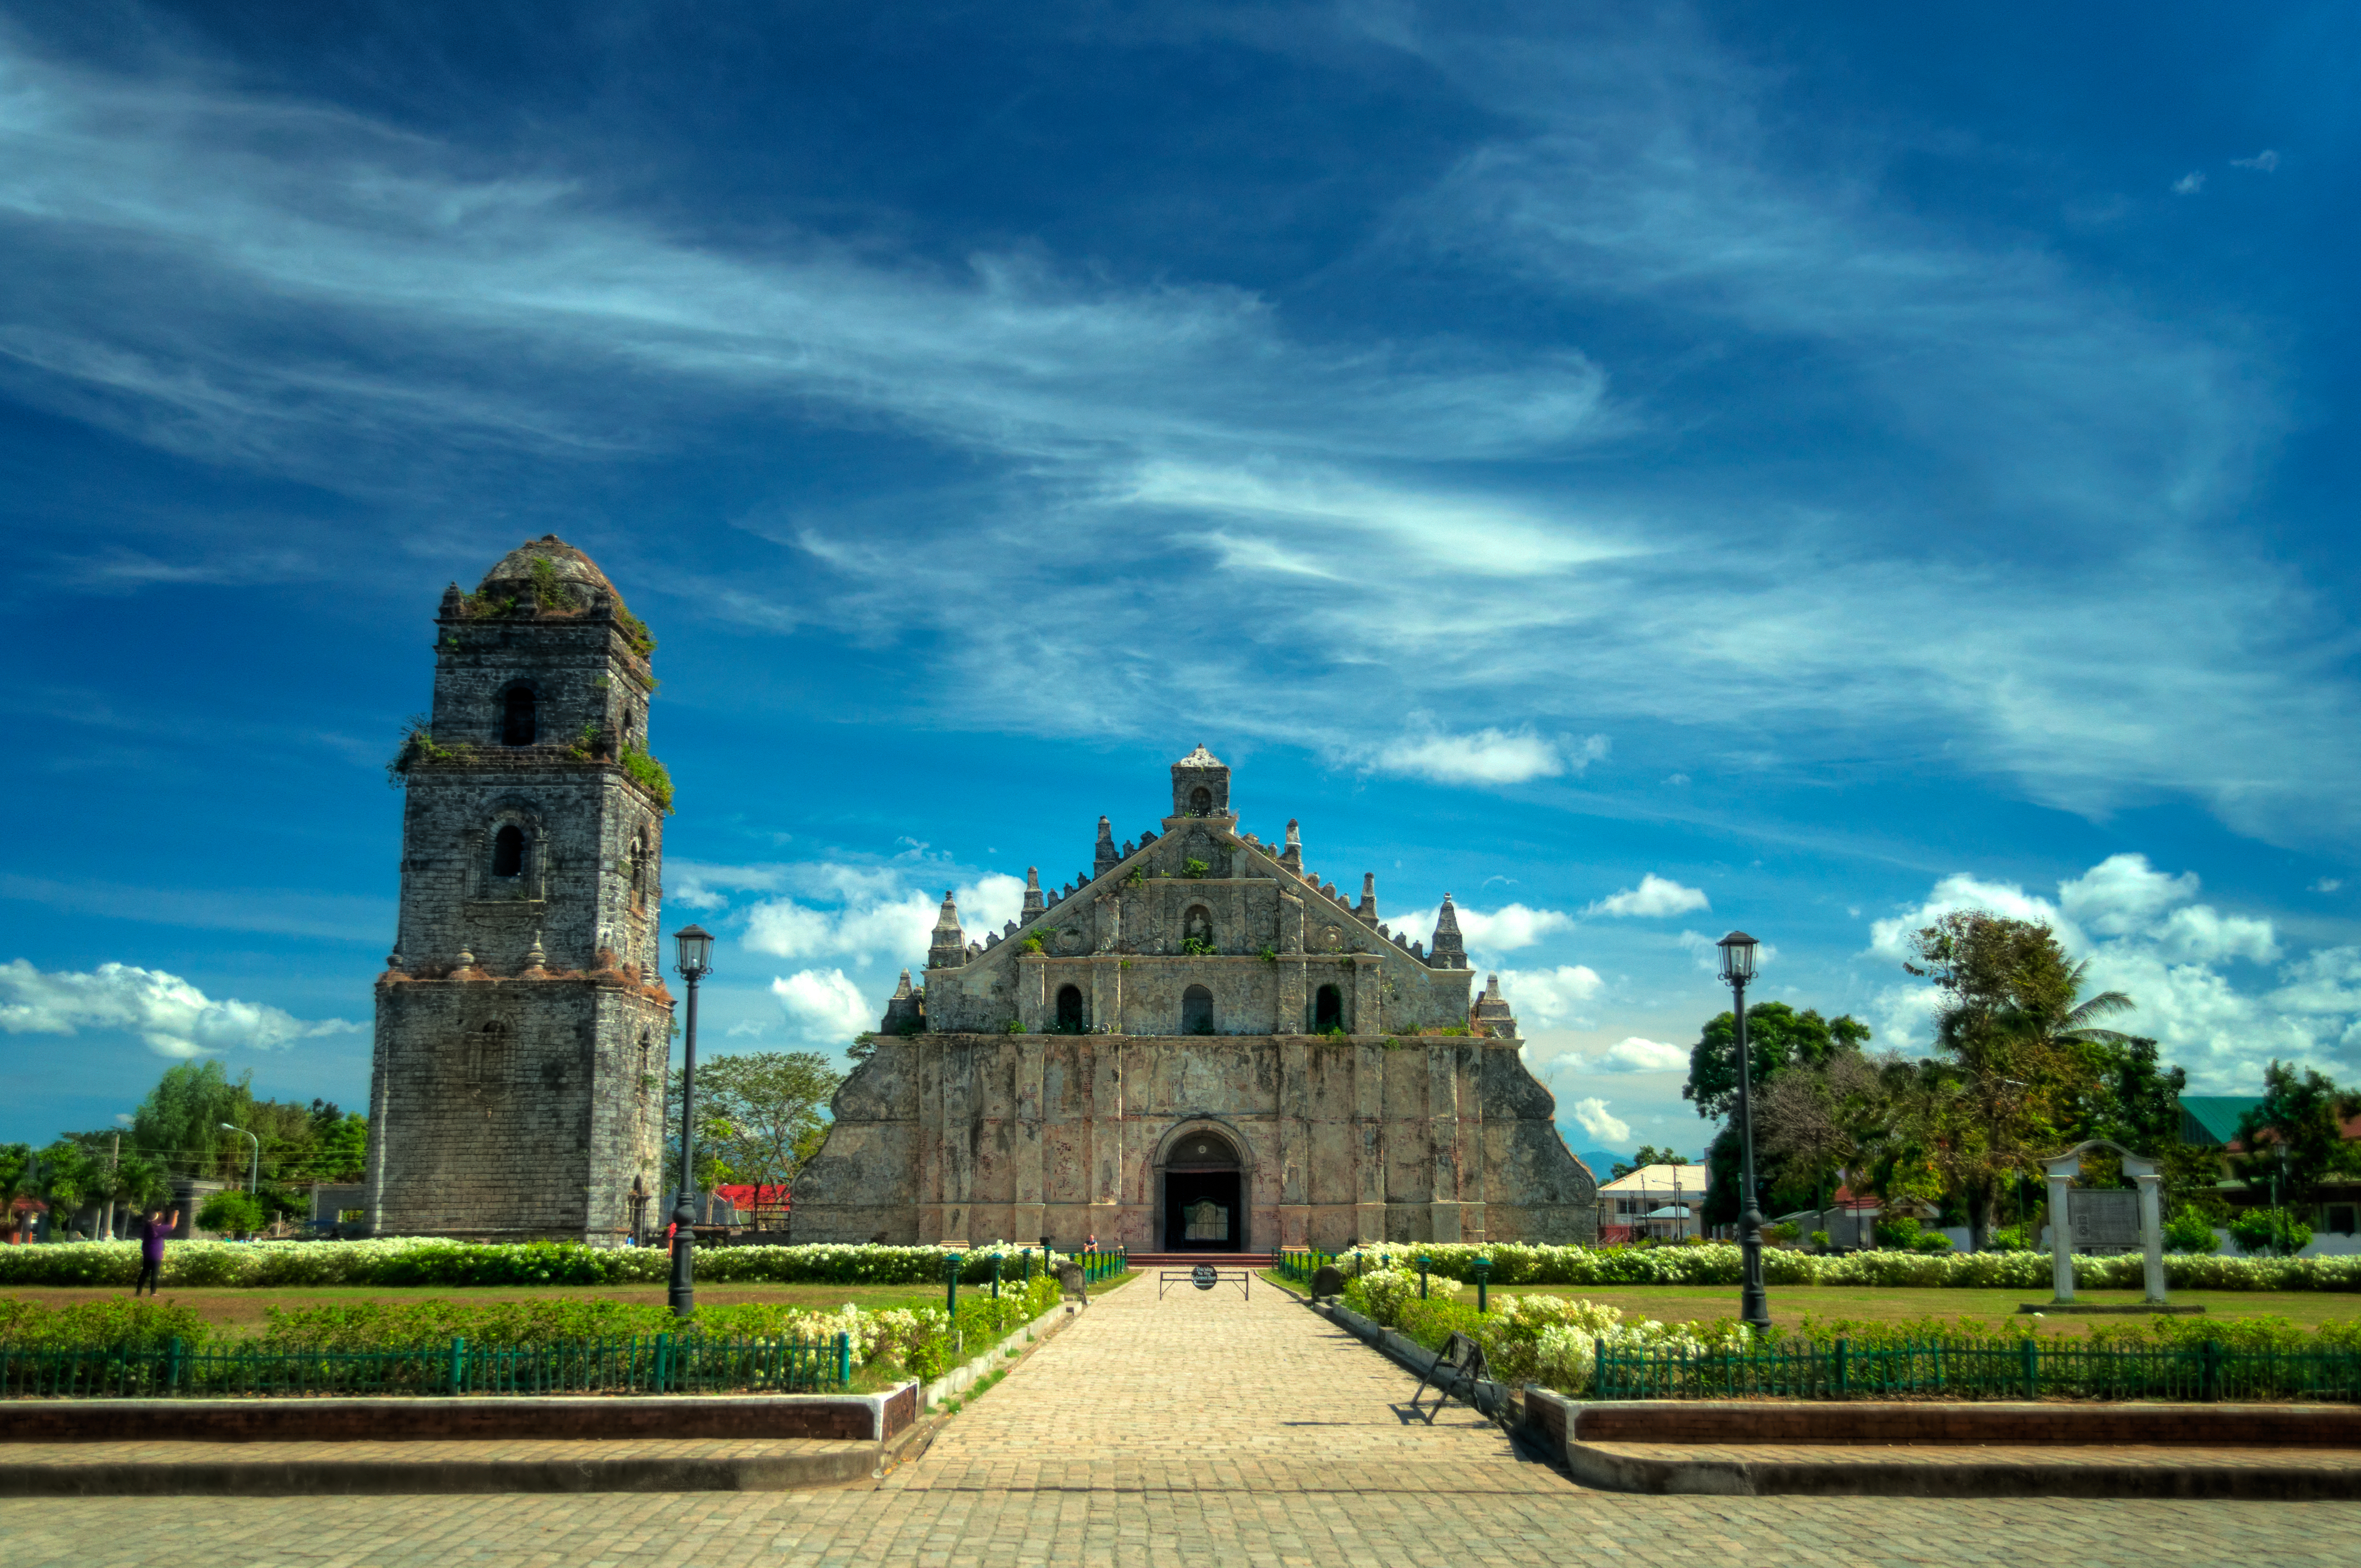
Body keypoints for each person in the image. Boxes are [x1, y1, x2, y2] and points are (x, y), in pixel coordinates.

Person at [132, 1204, 177, 1297]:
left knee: (144, 1273)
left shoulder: (147, 1228)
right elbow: (172, 1226)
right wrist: (175, 1215)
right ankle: (153, 1293)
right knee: (154, 1274)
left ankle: (138, 1293)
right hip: (156, 1255)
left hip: (147, 1254)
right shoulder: (159, 1229)